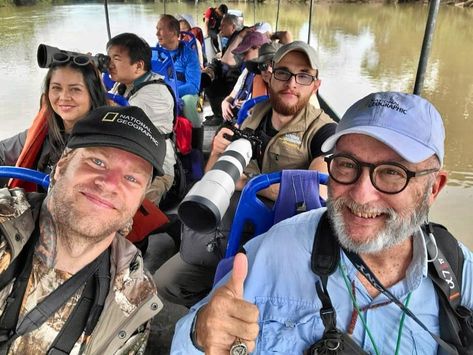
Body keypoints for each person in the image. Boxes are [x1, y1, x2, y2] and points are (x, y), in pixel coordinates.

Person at [171, 91, 473, 355]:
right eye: (346, 164)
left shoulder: (459, 274)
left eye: (392, 172)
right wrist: (201, 332)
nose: (362, 195)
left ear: (433, 188)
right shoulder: (279, 249)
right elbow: (188, 343)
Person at [155, 41, 337, 308]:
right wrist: (216, 153)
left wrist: (249, 183)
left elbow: (315, 196)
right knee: (166, 283)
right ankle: (209, 305)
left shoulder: (324, 132)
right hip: (227, 230)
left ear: (315, 85)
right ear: (269, 75)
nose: (292, 84)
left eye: (304, 76)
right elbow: (211, 176)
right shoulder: (251, 114)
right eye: (284, 72)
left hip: (277, 243)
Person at [0, 105, 167, 354]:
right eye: (97, 161)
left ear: (141, 199)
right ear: (63, 163)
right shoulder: (5, 220)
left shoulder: (135, 296)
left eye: (132, 178)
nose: (109, 184)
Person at [0, 54, 108, 188]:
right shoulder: (44, 132)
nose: (64, 97)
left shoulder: (108, 145)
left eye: (75, 89)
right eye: (56, 88)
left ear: (92, 94)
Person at [106, 32, 176, 205]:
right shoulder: (122, 85)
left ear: (138, 66)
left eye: (116, 59)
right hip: (128, 157)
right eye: (108, 58)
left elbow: (119, 123)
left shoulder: (154, 93)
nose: (109, 65)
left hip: (157, 167)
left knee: (139, 206)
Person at [156, 14, 202, 149]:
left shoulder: (189, 54)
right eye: (157, 29)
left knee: (188, 102)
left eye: (160, 29)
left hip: (182, 93)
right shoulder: (153, 54)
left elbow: (193, 86)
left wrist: (171, 92)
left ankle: (195, 143)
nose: (156, 33)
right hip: (157, 92)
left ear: (173, 33)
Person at [205, 30, 270, 126]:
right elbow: (233, 93)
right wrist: (225, 102)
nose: (243, 58)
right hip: (237, 117)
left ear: (258, 48)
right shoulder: (247, 70)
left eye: (246, 53)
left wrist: (247, 105)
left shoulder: (269, 75)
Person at [220, 40, 281, 123]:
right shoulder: (247, 73)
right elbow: (232, 95)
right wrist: (225, 102)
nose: (269, 70)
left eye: (274, 65)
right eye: (263, 66)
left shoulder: (288, 91)